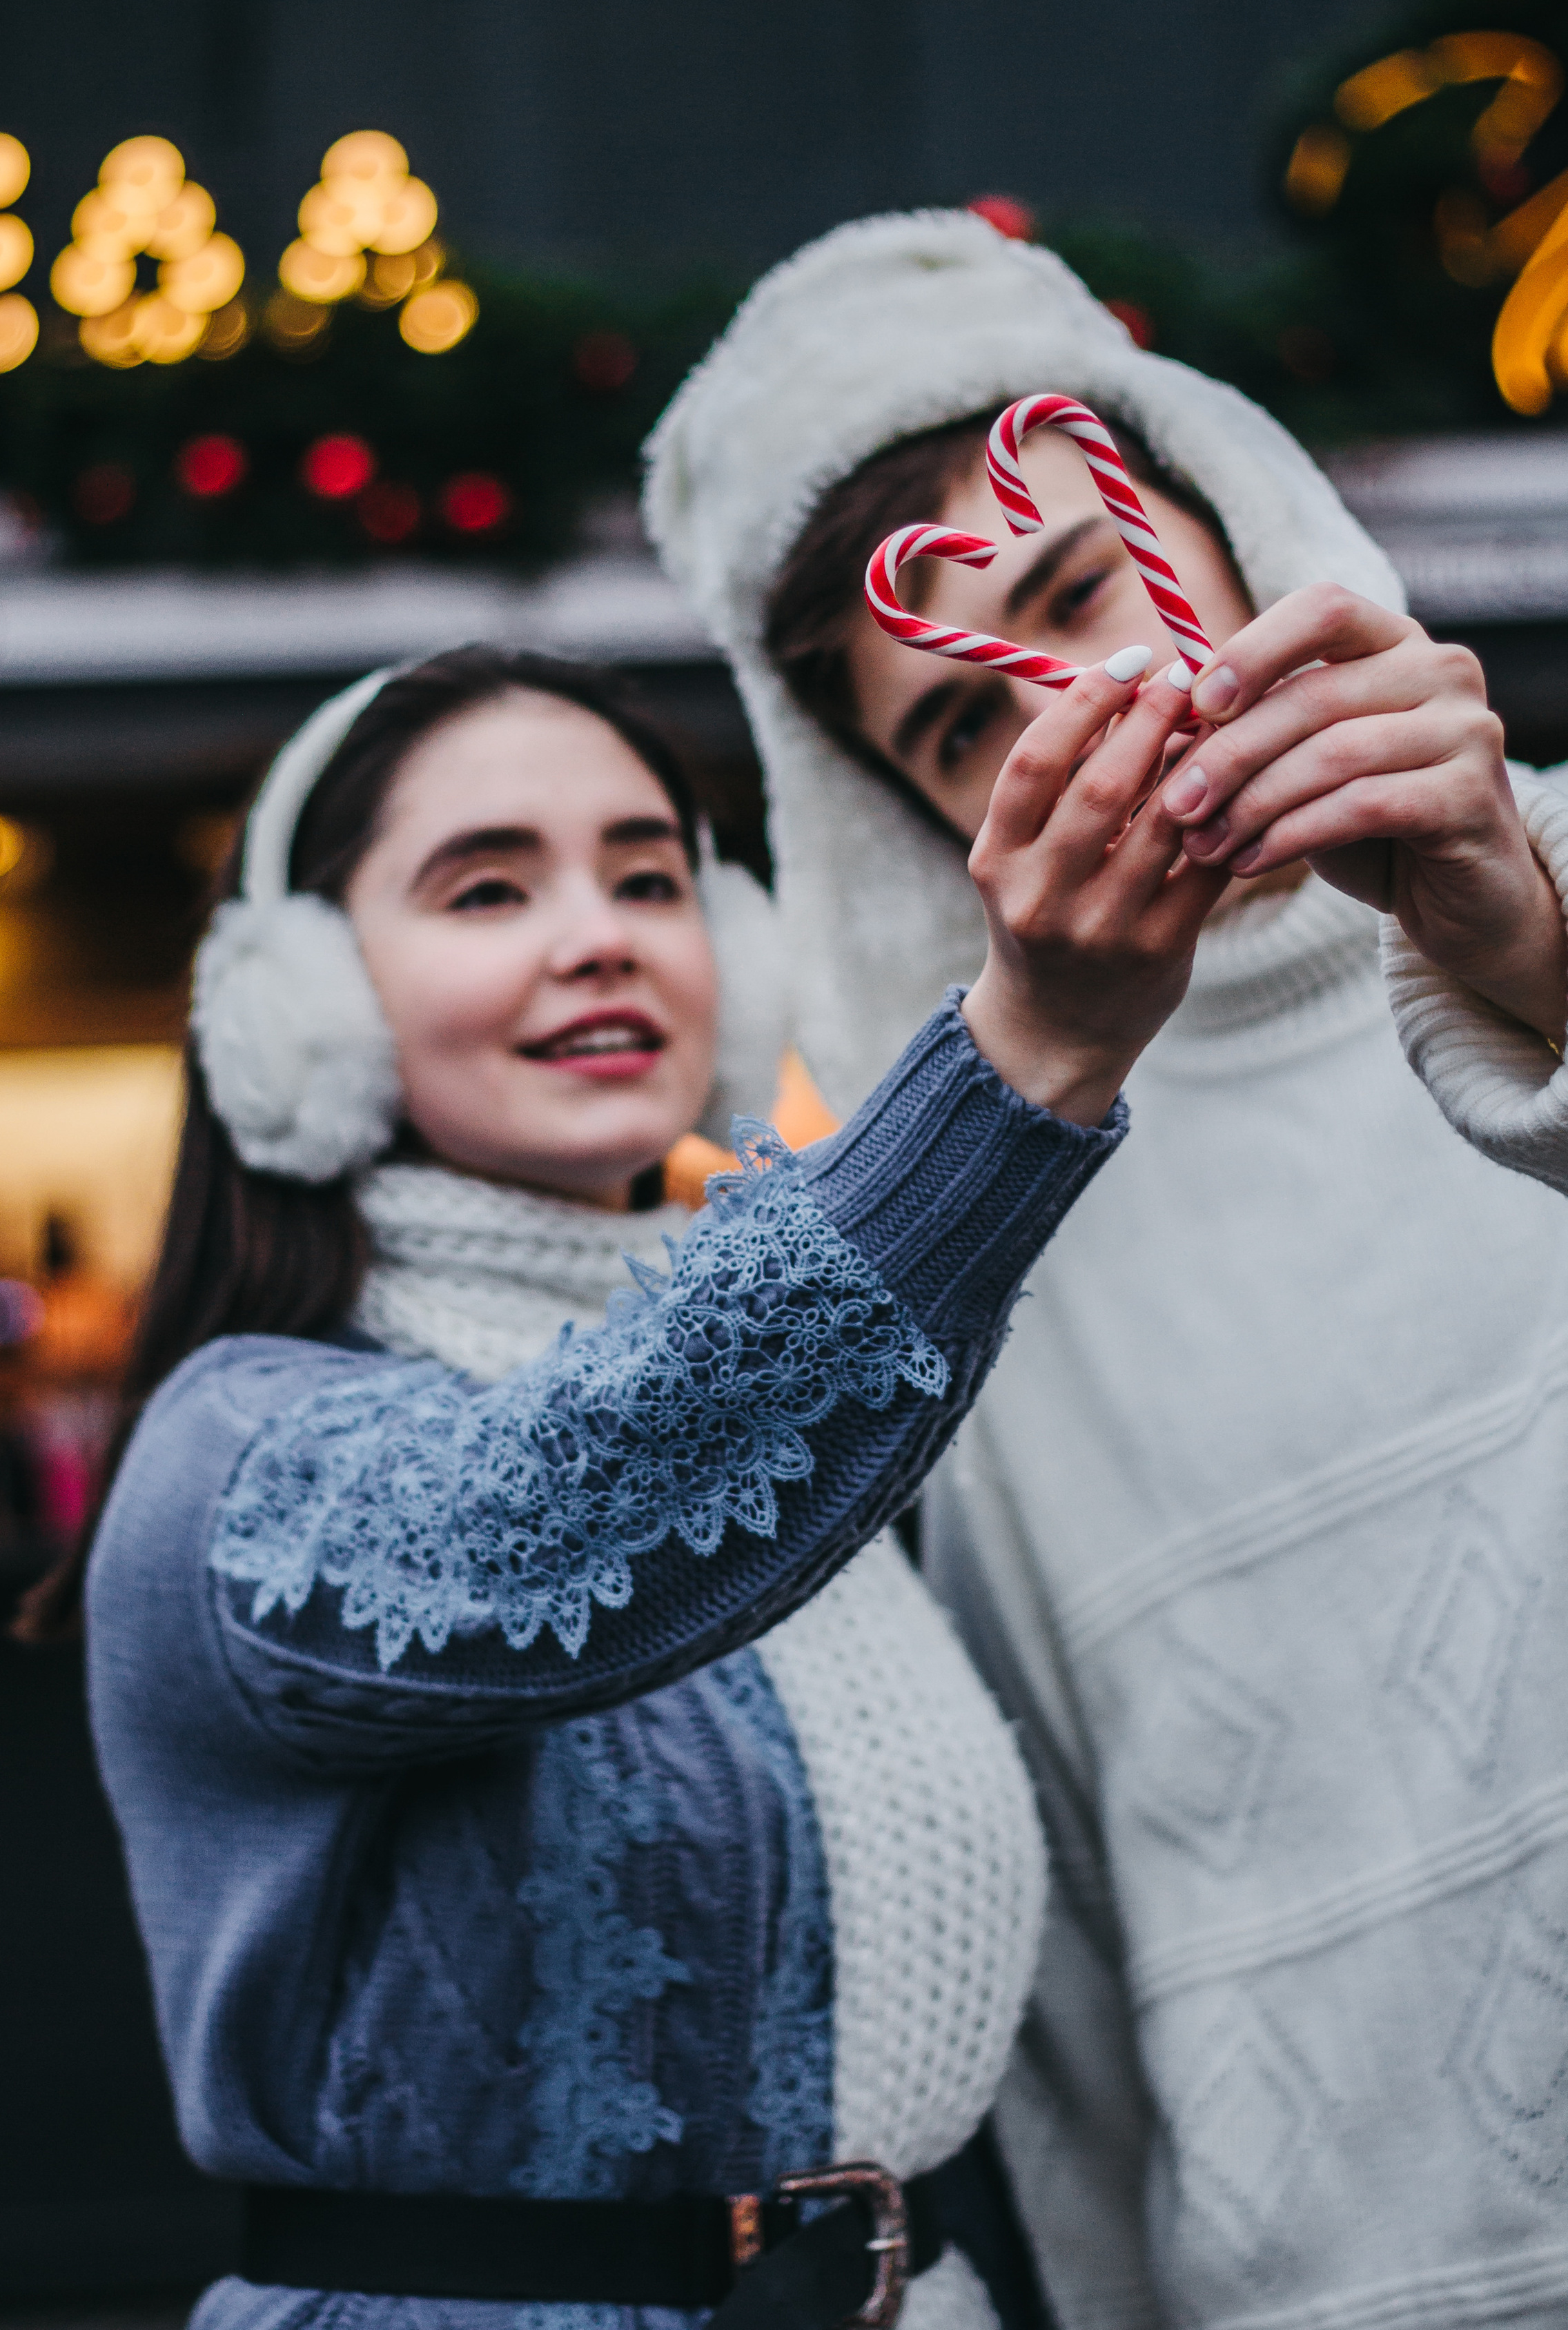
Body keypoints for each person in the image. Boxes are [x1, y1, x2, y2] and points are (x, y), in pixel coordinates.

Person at [23, 642, 1222, 2330]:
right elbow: (567, 1510)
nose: (600, 934)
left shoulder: (832, 1454)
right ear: (301, 1004)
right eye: (486, 888)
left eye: (650, 876)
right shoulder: (238, 1451)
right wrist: (1021, 1054)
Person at [646, 213, 1568, 2328]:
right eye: (968, 729)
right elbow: (1049, 1993)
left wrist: (1538, 954)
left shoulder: (1554, 905)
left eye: (1087, 597)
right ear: (915, 825)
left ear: (1224, 527)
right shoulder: (977, 1268)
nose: (1088, 698)